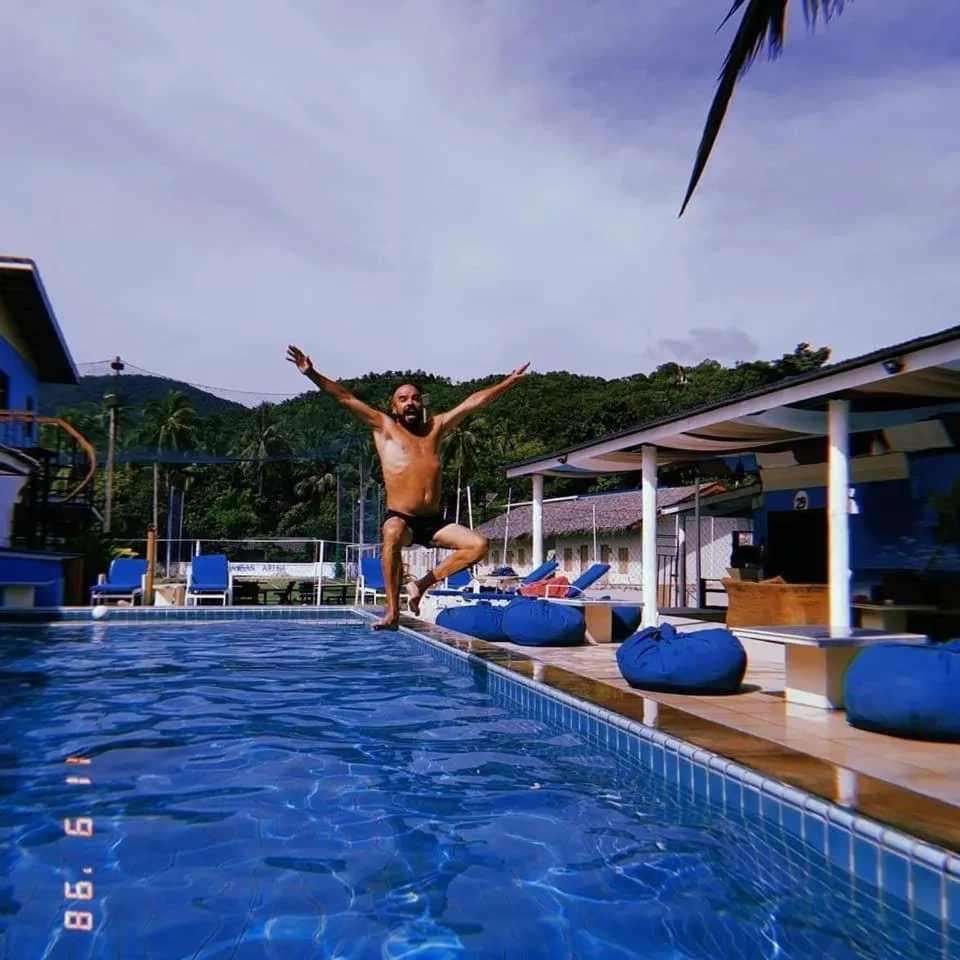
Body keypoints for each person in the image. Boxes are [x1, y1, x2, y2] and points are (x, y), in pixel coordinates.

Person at [286, 345, 529, 629]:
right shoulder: (384, 427)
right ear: (394, 406)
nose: (410, 403)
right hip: (403, 519)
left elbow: (472, 403)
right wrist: (311, 373)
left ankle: (421, 584)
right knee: (391, 532)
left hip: (434, 522)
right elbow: (345, 397)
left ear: (422, 404)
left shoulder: (435, 428)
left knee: (478, 544)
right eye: (403, 399)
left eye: (415, 398)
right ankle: (392, 612)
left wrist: (507, 383)